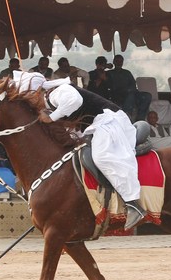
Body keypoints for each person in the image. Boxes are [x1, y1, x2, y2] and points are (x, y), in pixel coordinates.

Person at [30, 72, 146, 229]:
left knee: (102, 157)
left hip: (108, 121)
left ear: (36, 92)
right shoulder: (50, 99)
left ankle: (133, 204)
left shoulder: (56, 92)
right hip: (96, 126)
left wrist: (52, 117)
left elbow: (74, 100)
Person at [107, 55, 151, 121]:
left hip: (132, 92)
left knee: (147, 95)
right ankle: (127, 118)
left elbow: (133, 84)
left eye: (121, 61)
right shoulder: (109, 73)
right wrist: (106, 66)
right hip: (119, 95)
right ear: (114, 62)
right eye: (117, 61)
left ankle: (140, 118)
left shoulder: (127, 72)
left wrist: (130, 90)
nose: (119, 63)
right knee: (131, 95)